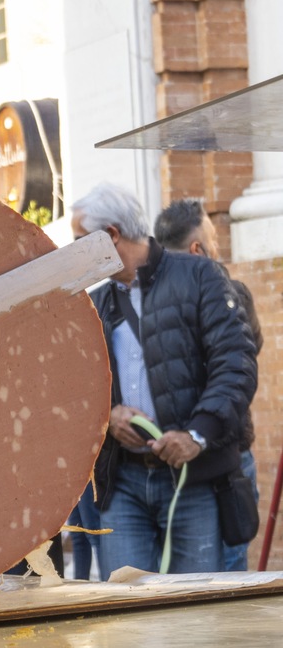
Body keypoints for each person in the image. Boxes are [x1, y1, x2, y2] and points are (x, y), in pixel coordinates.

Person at [71, 182, 256, 579]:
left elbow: (236, 363)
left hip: (194, 477)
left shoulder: (200, 276)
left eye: (78, 241)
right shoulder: (95, 302)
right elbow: (75, 392)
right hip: (124, 482)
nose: (72, 252)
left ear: (112, 235)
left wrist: (197, 435)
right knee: (127, 618)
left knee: (193, 621)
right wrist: (111, 415)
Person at [154, 198, 263, 571]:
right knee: (225, 584)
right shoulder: (228, 290)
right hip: (218, 458)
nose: (219, 249)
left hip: (193, 460)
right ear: (198, 249)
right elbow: (245, 358)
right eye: (215, 239)